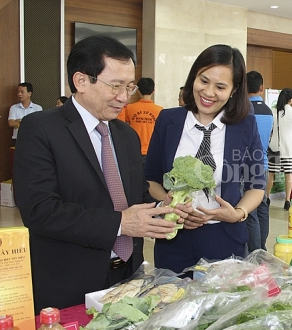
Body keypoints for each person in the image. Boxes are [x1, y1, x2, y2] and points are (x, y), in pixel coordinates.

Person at [13, 35, 182, 313]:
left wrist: (165, 209)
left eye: (129, 87)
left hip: (128, 277)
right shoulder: (41, 128)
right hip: (70, 280)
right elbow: (39, 210)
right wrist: (120, 224)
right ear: (81, 81)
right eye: (115, 86)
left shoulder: (125, 135)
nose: (124, 97)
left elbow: (135, 195)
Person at [145, 45, 265, 273]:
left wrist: (238, 213)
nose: (208, 92)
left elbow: (256, 185)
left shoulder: (245, 126)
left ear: (233, 90)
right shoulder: (168, 120)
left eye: (220, 86)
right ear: (193, 78)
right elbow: (150, 179)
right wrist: (170, 204)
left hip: (224, 238)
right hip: (174, 239)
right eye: (203, 80)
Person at [245, 70, 272, 253]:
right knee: (263, 206)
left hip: (247, 166)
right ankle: (262, 247)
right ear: (262, 88)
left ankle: (255, 251)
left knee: (250, 212)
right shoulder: (268, 110)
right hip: (263, 165)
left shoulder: (245, 109)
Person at [266, 88, 292, 210]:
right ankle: (287, 200)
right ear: (291, 99)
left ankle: (267, 198)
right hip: (288, 147)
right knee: (288, 173)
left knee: (271, 174)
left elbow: (270, 128)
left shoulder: (273, 111)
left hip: (275, 146)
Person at [116, 77, 163, 165]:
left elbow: (121, 125)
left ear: (138, 91)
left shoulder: (129, 108)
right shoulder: (160, 110)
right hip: (152, 151)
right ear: (153, 91)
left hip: (133, 149)